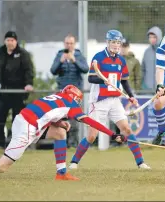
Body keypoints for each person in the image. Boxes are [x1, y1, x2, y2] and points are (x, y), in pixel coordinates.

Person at [0, 85, 127, 181]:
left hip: (25, 119)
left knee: (59, 134)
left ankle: (61, 173)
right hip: (27, 127)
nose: (78, 104)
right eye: (78, 100)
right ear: (74, 98)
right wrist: (112, 134)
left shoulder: (58, 97)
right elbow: (90, 121)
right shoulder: (70, 104)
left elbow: (47, 112)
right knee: (2, 167)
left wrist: (59, 122)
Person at [68, 30, 151, 170]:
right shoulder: (99, 57)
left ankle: (140, 162)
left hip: (114, 100)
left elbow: (124, 81)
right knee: (92, 136)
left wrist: (131, 96)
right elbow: (90, 78)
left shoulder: (121, 60)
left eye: (118, 42)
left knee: (127, 129)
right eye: (113, 42)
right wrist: (103, 81)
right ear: (108, 42)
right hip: (98, 101)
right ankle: (74, 162)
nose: (116, 45)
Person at [50, 34, 89, 148]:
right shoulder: (59, 54)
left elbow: (85, 69)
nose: (69, 45)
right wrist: (60, 61)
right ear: (64, 44)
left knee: (74, 119)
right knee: (59, 119)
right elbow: (53, 71)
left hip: (75, 93)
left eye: (71, 43)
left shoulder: (79, 55)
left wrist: (74, 61)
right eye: (67, 43)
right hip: (61, 92)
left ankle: (73, 145)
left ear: (74, 44)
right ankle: (61, 143)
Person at [141, 26, 163, 90]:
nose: (152, 39)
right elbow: (143, 69)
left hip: (162, 89)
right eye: (150, 37)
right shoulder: (147, 52)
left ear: (159, 37)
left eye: (154, 37)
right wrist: (143, 84)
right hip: (148, 88)